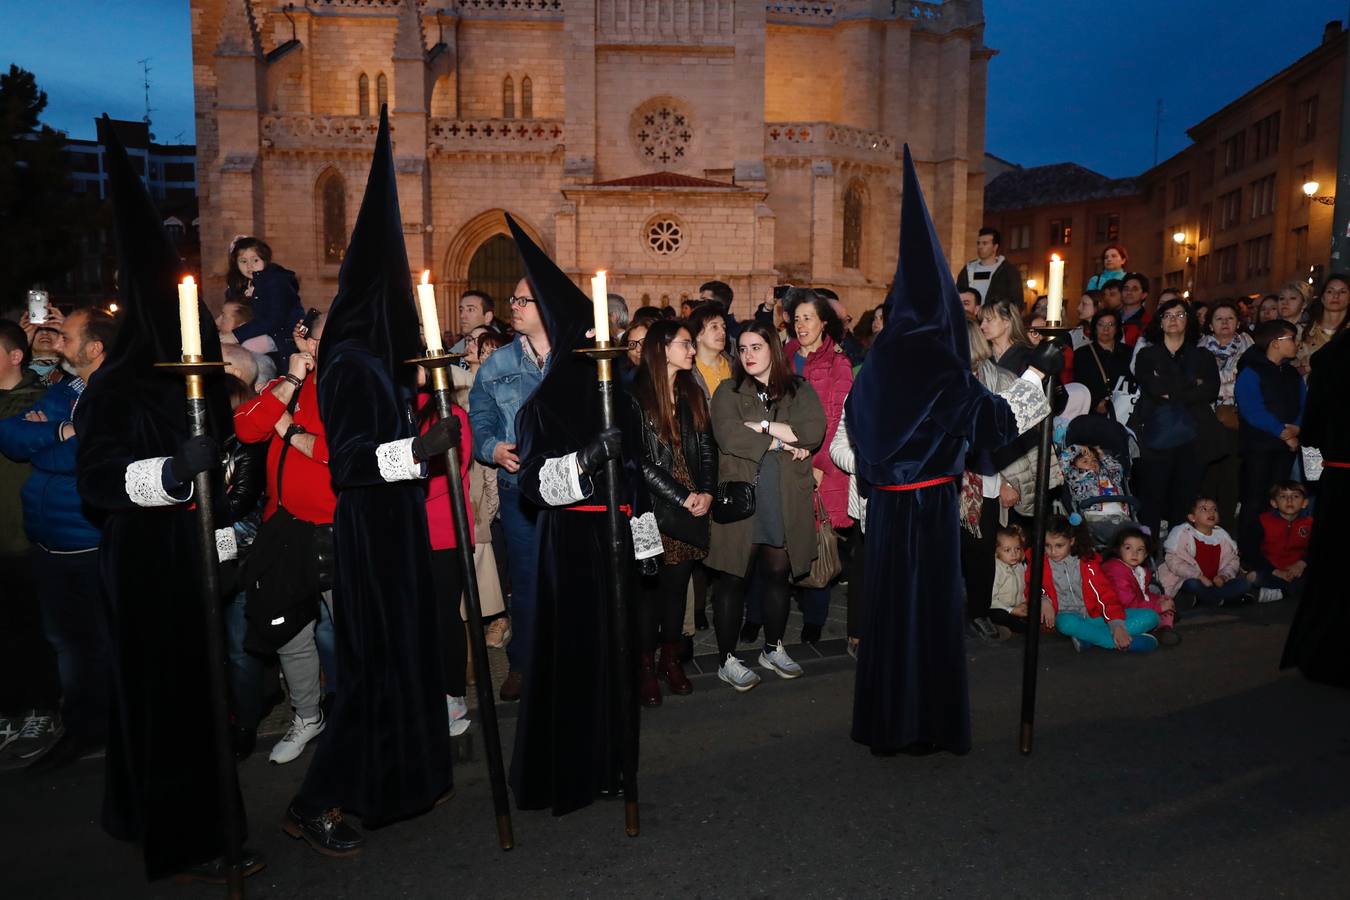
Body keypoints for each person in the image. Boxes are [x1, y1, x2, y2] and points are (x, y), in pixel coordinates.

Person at [76, 118, 261, 882]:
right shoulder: (115, 388)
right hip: (146, 560)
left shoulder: (199, 382)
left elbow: (228, 463)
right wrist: (172, 473)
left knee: (199, 693)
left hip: (193, 554)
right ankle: (188, 839)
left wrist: (225, 487)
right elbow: (98, 481)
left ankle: (165, 812)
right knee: (167, 697)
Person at [285, 110, 455, 856]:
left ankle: (397, 782)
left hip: (398, 531)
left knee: (401, 663)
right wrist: (418, 450)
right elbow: (352, 461)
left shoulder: (379, 366)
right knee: (367, 671)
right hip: (371, 539)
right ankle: (315, 802)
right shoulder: (351, 366)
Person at [847, 147, 1051, 756]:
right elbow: (993, 424)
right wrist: (1037, 378)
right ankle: (923, 725)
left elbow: (858, 428)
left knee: (890, 613)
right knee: (927, 613)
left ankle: (886, 721)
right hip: (930, 507)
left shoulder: (878, 360)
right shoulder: (939, 362)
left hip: (887, 507)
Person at [504, 214, 654, 816]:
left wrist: (645, 541)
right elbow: (534, 486)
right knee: (575, 655)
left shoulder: (620, 395)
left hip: (616, 536)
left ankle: (613, 761)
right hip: (570, 542)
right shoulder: (543, 405)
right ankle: (570, 768)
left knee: (616, 655)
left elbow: (638, 472)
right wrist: (589, 458)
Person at [232, 318, 336, 767]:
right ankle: (307, 715)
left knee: (348, 630)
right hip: (284, 530)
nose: (313, 344)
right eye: (312, 336)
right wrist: (291, 380)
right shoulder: (288, 384)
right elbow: (247, 428)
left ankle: (359, 711)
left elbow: (342, 453)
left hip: (336, 529)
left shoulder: (348, 385)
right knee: (290, 632)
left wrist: (292, 432)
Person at [0, 314, 102, 771]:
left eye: (68, 336)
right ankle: (79, 726)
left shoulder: (110, 393)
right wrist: (60, 430)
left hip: (86, 541)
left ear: (95, 347)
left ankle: (99, 726)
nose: (58, 342)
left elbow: (90, 454)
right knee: (65, 642)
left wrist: (47, 443)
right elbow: (11, 435)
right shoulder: (68, 388)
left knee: (94, 642)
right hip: (48, 542)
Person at [705, 322, 824, 690]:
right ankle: (726, 658)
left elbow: (812, 432)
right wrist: (781, 440)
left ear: (773, 348)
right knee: (732, 578)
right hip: (741, 497)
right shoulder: (727, 391)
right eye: (742, 349)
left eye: (756, 347)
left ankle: (772, 648)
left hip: (783, 496)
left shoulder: (798, 389)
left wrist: (761, 426)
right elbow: (729, 435)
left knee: (777, 574)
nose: (748, 355)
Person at [468, 276, 551, 703]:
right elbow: (479, 417)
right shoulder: (498, 363)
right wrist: (492, 449)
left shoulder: (576, 359)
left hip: (570, 489)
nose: (513, 306)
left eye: (523, 300)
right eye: (512, 299)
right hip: (519, 490)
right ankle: (523, 663)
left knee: (568, 575)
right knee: (526, 577)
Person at [631, 319, 715, 706]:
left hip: (691, 505)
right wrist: (681, 495)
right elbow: (636, 461)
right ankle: (645, 667)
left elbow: (708, 447)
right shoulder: (634, 394)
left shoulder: (691, 390)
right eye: (685, 343)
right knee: (648, 592)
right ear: (663, 349)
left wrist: (707, 492)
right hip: (649, 509)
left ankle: (670, 659)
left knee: (677, 590)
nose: (692, 350)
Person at [959, 319, 1048, 642]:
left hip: (986, 481)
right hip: (947, 482)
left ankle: (980, 611)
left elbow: (1014, 433)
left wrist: (1009, 480)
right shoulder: (941, 381)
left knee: (982, 551)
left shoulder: (999, 378)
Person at [1281, 289, 1350, 686]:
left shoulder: (1328, 358)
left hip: (1335, 481)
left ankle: (1321, 652)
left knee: (1330, 569)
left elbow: (1312, 430)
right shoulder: (1332, 357)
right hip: (1337, 476)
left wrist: (1314, 479)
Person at [784, 288, 854, 642]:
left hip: (819, 466)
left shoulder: (838, 363)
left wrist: (820, 465)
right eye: (797, 318)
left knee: (816, 539)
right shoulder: (784, 357)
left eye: (808, 318)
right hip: (783, 459)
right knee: (781, 538)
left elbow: (839, 419)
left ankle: (814, 618)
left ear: (824, 322)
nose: (801, 325)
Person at [1130, 298, 1222, 542]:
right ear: (1160, 322)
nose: (1173, 319)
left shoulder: (1202, 356)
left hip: (1193, 436)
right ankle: (1147, 551)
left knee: (1184, 498)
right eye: (1167, 315)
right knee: (1152, 497)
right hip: (1157, 433)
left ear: (1188, 321)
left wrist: (1172, 391)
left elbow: (1210, 390)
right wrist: (1192, 384)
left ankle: (1177, 552)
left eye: (1180, 314)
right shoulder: (1147, 355)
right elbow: (1153, 387)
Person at [417, 381, 475, 738]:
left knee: (443, 617)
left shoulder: (450, 413)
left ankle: (453, 696)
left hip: (443, 532)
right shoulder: (398, 412)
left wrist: (399, 493)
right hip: (407, 534)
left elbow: (450, 473)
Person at [1032, 516, 1159, 653]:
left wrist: (1117, 625)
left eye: (1059, 545)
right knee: (1066, 624)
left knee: (1152, 617)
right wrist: (1043, 598)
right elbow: (1032, 585)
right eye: (1047, 545)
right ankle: (1123, 642)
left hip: (1094, 616)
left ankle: (1088, 637)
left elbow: (1105, 594)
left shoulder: (1087, 562)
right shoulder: (1039, 561)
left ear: (1072, 541)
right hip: (1067, 616)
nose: (1052, 551)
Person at [1235, 320, 1305, 567]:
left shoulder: (1292, 373)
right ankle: (1249, 556)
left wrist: (1297, 427)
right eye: (1292, 339)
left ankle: (1274, 553)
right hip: (1259, 447)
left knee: (1278, 501)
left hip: (1285, 448)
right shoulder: (1251, 370)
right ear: (1276, 343)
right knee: (1255, 500)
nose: (1296, 344)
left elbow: (1303, 404)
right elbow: (1251, 409)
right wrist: (1284, 432)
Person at [1196, 299, 1252, 530]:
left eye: (1230, 318)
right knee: (1208, 476)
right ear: (1210, 324)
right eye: (1219, 318)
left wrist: (1215, 384)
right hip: (1206, 419)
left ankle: (1227, 530)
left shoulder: (1250, 347)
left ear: (1238, 322)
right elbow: (1198, 384)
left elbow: (1248, 383)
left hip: (1237, 418)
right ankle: (1203, 530)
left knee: (1231, 476)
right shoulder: (1199, 350)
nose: (1225, 323)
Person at [1157, 496, 1247, 607]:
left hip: (1214, 583)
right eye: (1204, 509)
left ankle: (1206, 599)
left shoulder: (1223, 537)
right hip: (1190, 579)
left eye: (1214, 509)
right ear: (1192, 517)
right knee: (1192, 584)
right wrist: (1198, 576)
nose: (1211, 512)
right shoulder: (1184, 534)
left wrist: (1223, 576)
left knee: (1244, 584)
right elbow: (1174, 562)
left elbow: (1232, 561)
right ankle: (1221, 600)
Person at [225, 236, 305, 359]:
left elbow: (274, 319)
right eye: (243, 261)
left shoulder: (276, 281)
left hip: (286, 335)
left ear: (264, 260)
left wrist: (235, 335)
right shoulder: (245, 284)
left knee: (247, 348)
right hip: (266, 332)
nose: (250, 266)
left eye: (255, 260)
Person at [1103, 527, 1178, 646]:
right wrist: (1158, 607)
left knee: (1163, 599)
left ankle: (1163, 628)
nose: (1134, 553)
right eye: (1128, 548)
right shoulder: (1116, 571)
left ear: (1146, 554)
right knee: (1151, 616)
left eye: (1140, 549)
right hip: (1115, 614)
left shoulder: (1138, 570)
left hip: (1132, 607)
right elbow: (1127, 602)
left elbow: (1143, 593)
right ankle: (1159, 629)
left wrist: (1159, 600)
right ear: (1118, 550)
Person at [1246, 481, 1312, 604]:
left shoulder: (1310, 523)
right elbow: (1251, 551)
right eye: (1283, 496)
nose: (1289, 500)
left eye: (1295, 496)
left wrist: (1302, 563)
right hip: (1270, 568)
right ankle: (1286, 590)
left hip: (1297, 570)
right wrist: (1275, 571)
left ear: (1304, 503)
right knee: (1253, 577)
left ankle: (1281, 592)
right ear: (1274, 503)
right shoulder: (1262, 521)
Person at [1071, 308, 1133, 418]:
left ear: (1117, 328)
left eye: (1111, 324)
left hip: (1124, 408)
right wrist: (1095, 403)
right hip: (1093, 411)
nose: (1106, 329)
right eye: (1101, 324)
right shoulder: (1082, 353)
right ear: (1095, 328)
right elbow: (1080, 384)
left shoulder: (1129, 352)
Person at [1296, 275, 1349, 376]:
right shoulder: (1301, 331)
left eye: (1342, 292)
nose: (1336, 295)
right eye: (1330, 291)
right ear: (1322, 297)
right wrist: (1308, 367)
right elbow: (1285, 372)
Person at [955, 227, 1022, 304]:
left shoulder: (1008, 271)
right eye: (978, 243)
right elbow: (957, 295)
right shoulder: (967, 270)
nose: (980, 247)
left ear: (995, 247)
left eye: (984, 243)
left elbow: (1016, 302)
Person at [987, 525, 1027, 635]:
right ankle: (1002, 627)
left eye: (1017, 549)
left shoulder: (1019, 567)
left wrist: (1024, 604)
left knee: (1034, 611)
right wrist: (1010, 610)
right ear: (996, 551)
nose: (1014, 554)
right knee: (1000, 616)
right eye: (1007, 550)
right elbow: (991, 599)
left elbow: (1023, 588)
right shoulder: (996, 569)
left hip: (1016, 607)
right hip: (998, 607)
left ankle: (1012, 625)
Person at [978, 297, 1034, 375]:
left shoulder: (1027, 355)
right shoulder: (980, 353)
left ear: (1006, 322)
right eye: (981, 321)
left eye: (989, 320)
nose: (982, 326)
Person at [449, 290, 499, 354]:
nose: (462, 316)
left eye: (470, 310)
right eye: (461, 310)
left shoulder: (502, 349)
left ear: (487, 317)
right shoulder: (456, 351)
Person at [1118, 273, 1150, 346]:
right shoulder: (1113, 317)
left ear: (1144, 294)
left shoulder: (1147, 322)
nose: (1129, 292)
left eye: (1134, 289)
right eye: (1126, 289)